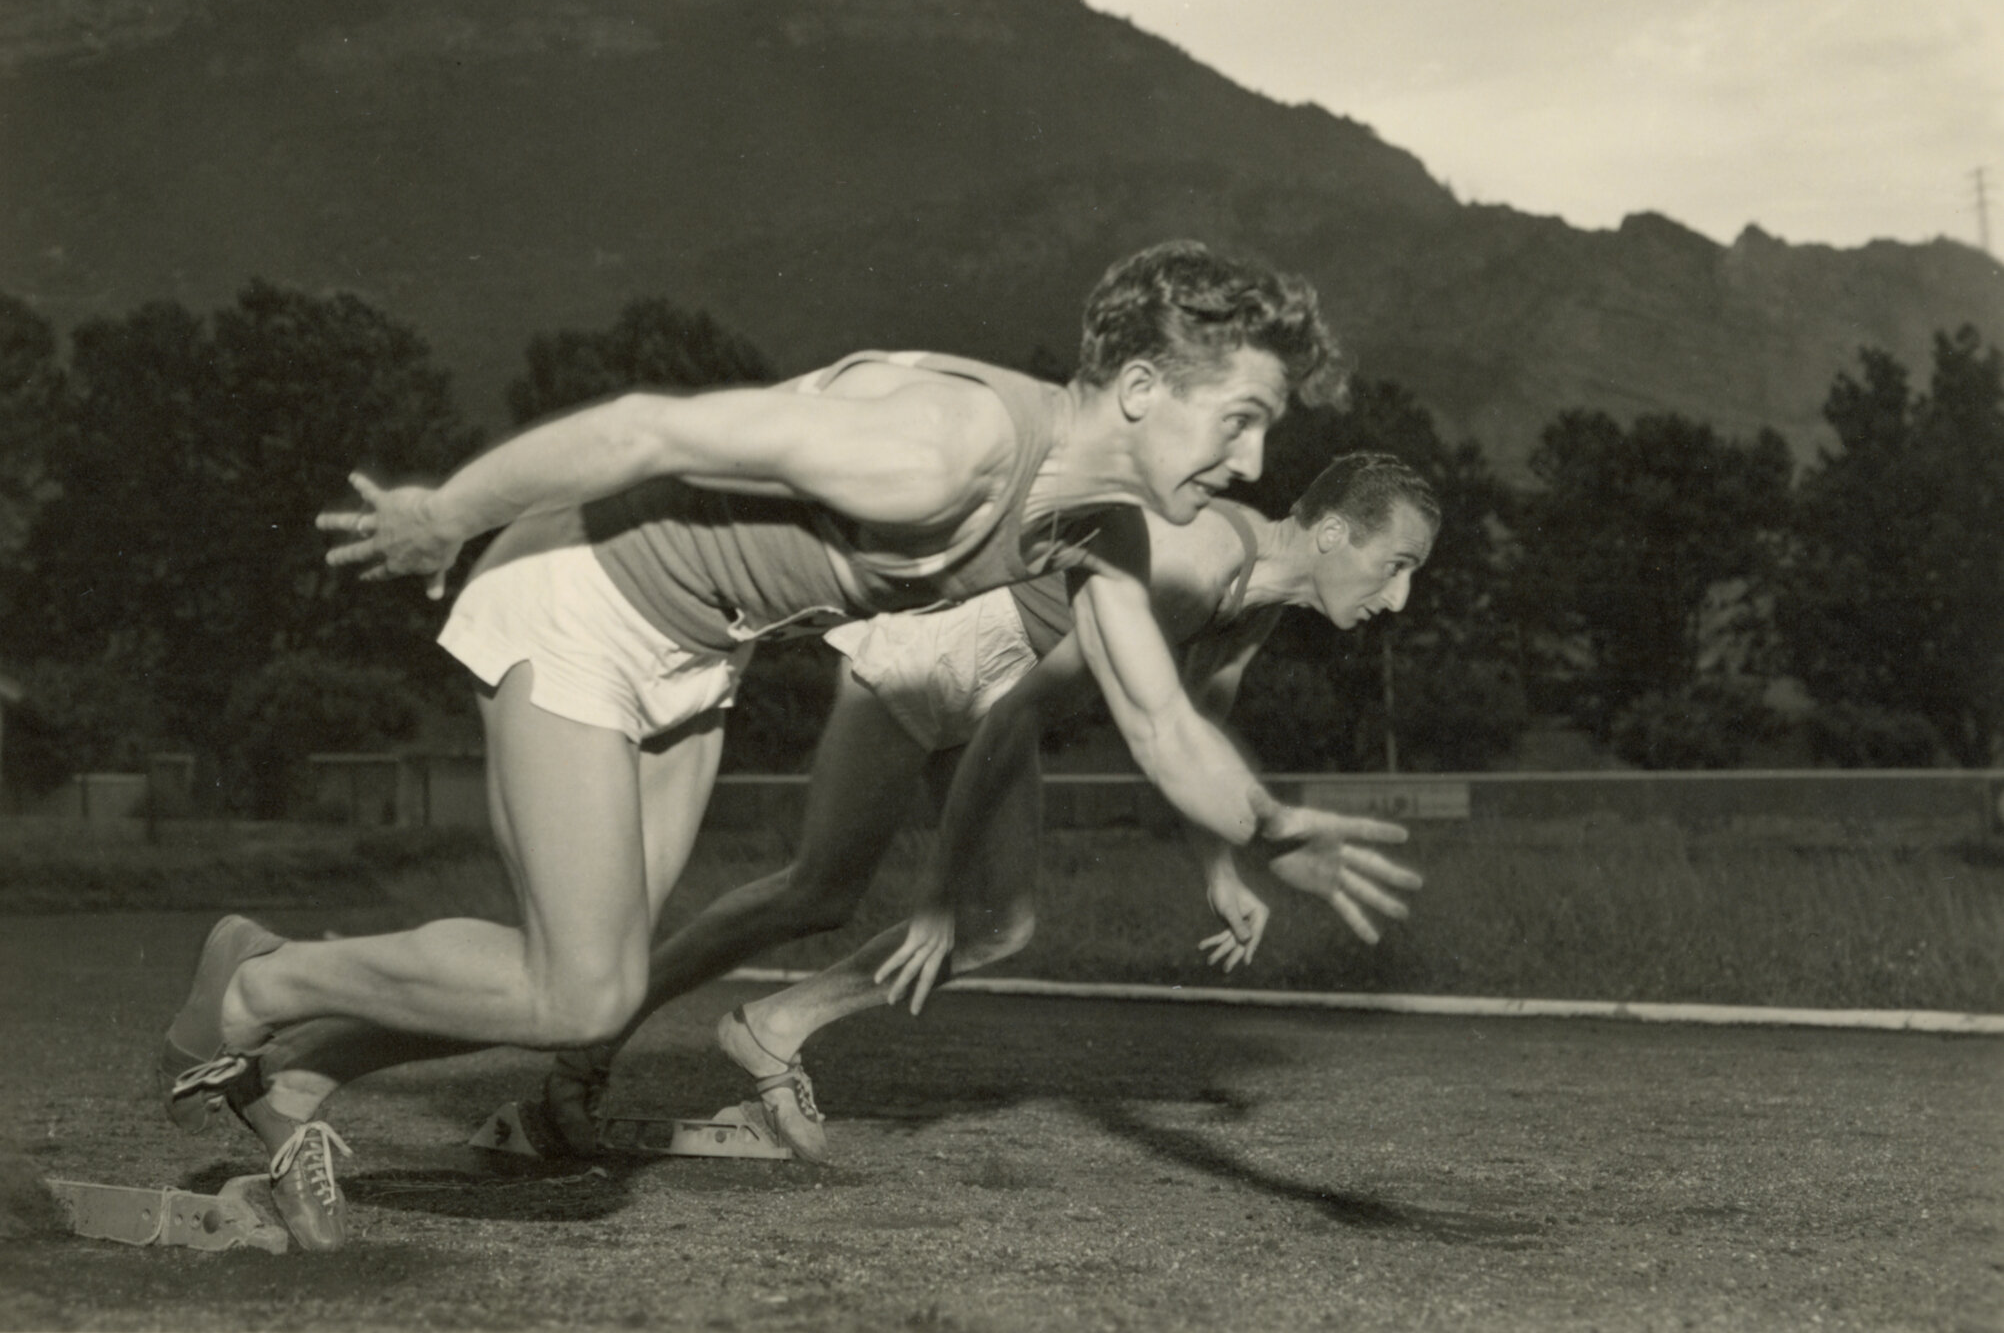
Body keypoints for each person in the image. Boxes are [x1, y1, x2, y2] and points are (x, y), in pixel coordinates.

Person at [155, 241, 1381, 1250]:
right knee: (584, 989)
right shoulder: (947, 450)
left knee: (583, 986)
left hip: (694, 652)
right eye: (1241, 420)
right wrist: (446, 513)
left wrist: (1270, 826)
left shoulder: (1101, 526)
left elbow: (1163, 723)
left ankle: (301, 1078)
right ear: (1143, 389)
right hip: (581, 598)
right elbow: (645, 429)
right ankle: (259, 982)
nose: (1253, 462)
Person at [241, 452, 1437, 1169]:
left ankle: (762, 1029)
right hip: (939, 659)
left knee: (993, 922)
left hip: (998, 688)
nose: (1399, 597)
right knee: (823, 890)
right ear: (1332, 531)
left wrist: (1224, 869)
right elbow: (1017, 718)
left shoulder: (1258, 596)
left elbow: (1196, 723)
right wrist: (934, 895)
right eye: (1395, 565)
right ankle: (586, 1042)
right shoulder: (1197, 559)